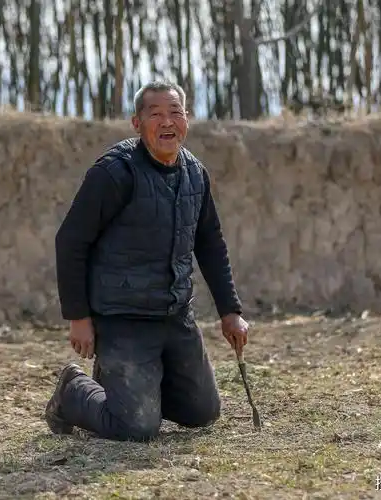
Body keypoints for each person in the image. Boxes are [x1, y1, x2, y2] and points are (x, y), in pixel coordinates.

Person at [47, 80, 250, 442]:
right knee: (135, 428)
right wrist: (78, 317)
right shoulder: (113, 173)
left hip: (175, 315)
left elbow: (210, 244)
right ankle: (72, 390)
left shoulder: (195, 174)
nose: (167, 122)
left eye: (175, 112)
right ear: (136, 123)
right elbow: (71, 241)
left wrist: (229, 311)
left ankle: (136, 393)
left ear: (187, 119)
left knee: (202, 413)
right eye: (155, 114)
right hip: (123, 318)